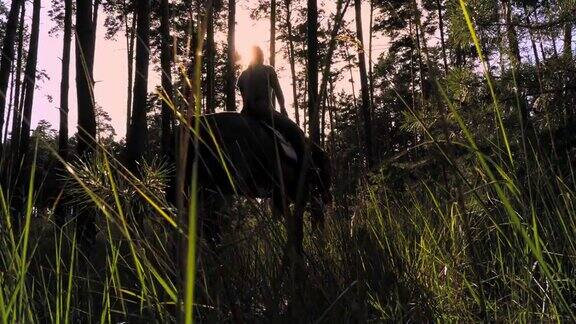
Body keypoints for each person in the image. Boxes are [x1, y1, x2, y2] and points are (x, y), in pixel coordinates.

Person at [237, 46, 305, 164]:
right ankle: (305, 167)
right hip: (266, 112)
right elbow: (278, 92)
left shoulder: (242, 76)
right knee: (296, 131)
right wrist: (283, 108)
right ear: (261, 56)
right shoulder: (268, 70)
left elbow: (244, 98)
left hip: (246, 114)